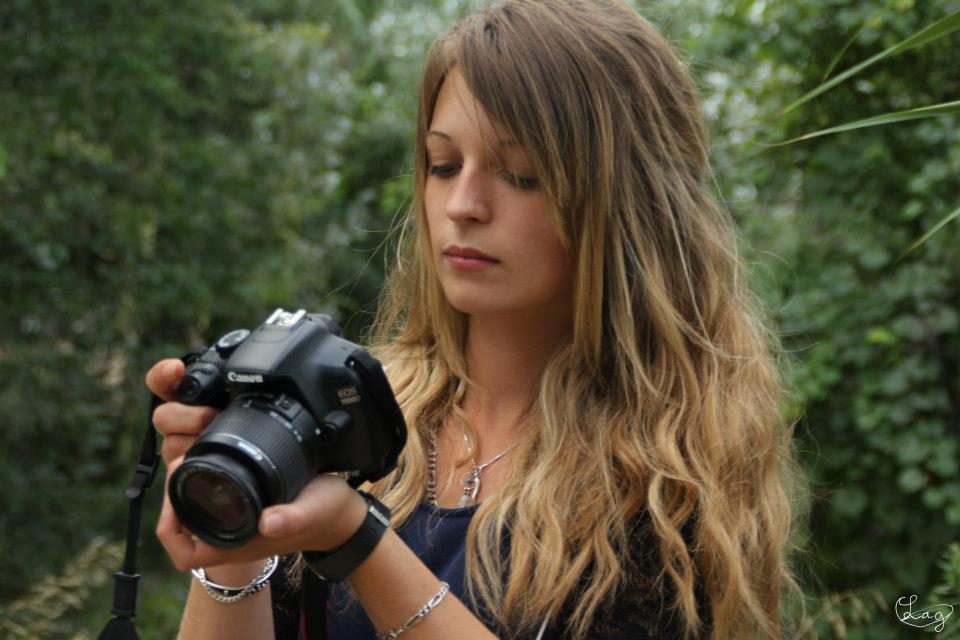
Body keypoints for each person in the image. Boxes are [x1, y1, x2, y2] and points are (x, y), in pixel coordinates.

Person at [147, 0, 804, 638]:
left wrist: (357, 543)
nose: (463, 204)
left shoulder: (669, 472)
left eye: (520, 174)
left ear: (626, 204)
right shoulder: (356, 418)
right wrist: (230, 521)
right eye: (443, 165)